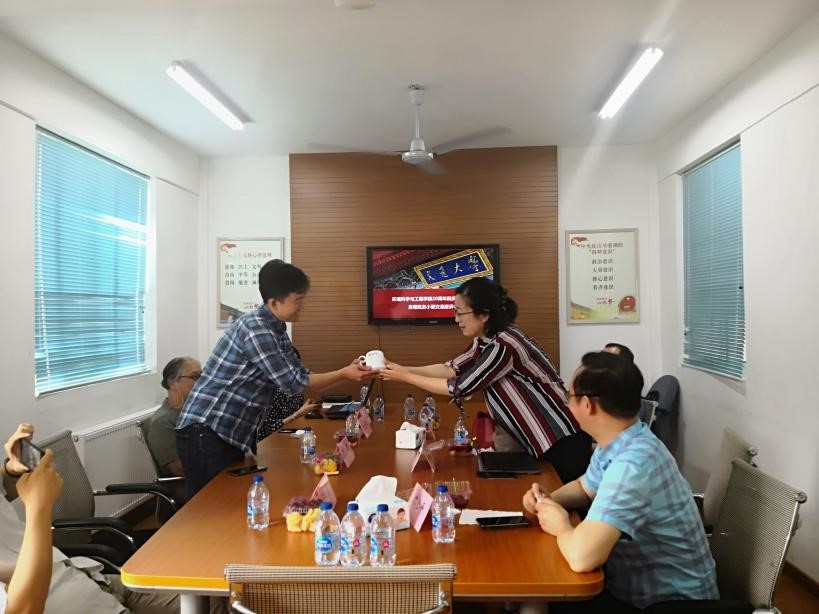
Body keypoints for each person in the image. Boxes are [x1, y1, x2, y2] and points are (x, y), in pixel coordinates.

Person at [522, 352, 717, 612]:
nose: (567, 403)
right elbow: (585, 488)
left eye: (569, 396)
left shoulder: (632, 465)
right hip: (632, 588)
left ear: (588, 405)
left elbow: (582, 558)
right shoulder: (623, 439)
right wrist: (548, 500)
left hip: (665, 604)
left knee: (540, 590)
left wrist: (561, 526)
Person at [176, 259, 373, 496]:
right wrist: (343, 374)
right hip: (207, 430)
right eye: (297, 300)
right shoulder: (257, 329)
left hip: (225, 432)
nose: (302, 306)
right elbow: (294, 384)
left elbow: (301, 377)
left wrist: (346, 371)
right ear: (273, 302)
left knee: (229, 501)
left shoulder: (276, 329)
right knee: (213, 506)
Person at [381, 277, 592, 483]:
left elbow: (459, 388)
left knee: (569, 503)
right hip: (540, 437)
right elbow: (450, 369)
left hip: (559, 437)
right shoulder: (484, 341)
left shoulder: (503, 345)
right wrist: (402, 369)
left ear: (484, 315)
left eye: (460, 312)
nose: (456, 319)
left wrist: (405, 377)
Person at [0, 424, 179, 614]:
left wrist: (11, 470)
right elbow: (22, 609)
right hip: (63, 602)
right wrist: (39, 508)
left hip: (85, 576)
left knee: (198, 597)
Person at [146, 356, 202, 478]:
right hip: (190, 483)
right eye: (194, 377)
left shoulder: (196, 412)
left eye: (202, 376)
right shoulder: (162, 422)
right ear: (172, 383)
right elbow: (178, 469)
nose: (201, 382)